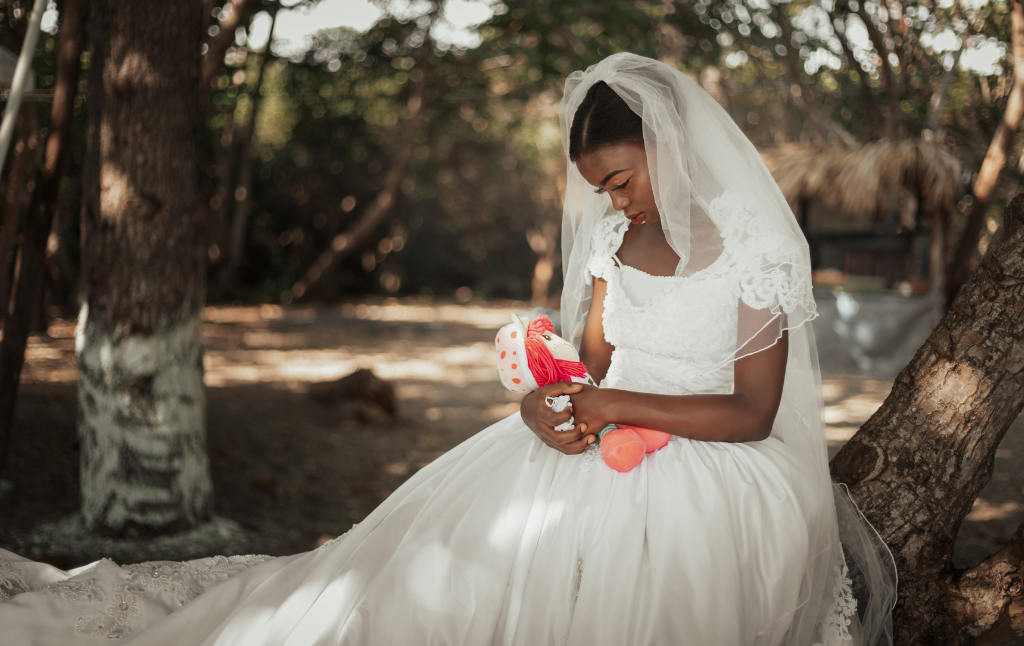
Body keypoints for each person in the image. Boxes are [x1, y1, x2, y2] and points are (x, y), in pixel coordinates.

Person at [0, 53, 895, 645]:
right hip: (603, 433)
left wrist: (613, 406)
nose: (614, 206)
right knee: (422, 587)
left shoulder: (757, 246)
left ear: (666, 144)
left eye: (621, 180)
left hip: (719, 466)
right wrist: (543, 407)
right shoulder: (612, 247)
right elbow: (587, 370)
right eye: (599, 191)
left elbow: (750, 412)